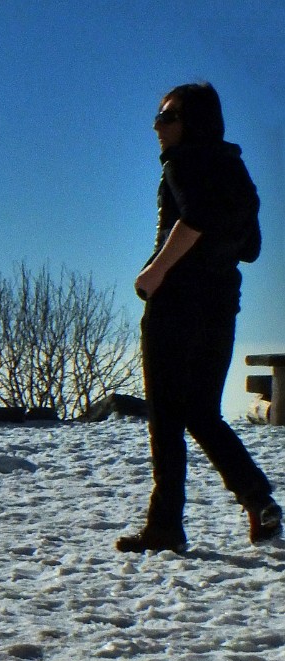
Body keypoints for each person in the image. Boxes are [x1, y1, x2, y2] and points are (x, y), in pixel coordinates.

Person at [117, 82, 280, 553]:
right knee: (201, 411)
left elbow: (195, 219)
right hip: (221, 301)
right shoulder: (235, 166)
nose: (157, 125)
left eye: (167, 116)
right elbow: (250, 248)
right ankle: (258, 500)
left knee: (167, 415)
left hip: (176, 304)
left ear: (191, 123)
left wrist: (155, 272)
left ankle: (165, 526)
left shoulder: (182, 162)